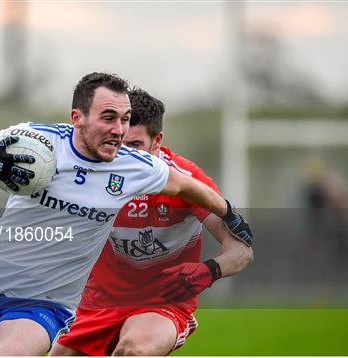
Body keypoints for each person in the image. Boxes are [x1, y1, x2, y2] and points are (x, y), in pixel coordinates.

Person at [0, 73, 252, 356]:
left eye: (125, 122)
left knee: (129, 349)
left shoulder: (141, 168)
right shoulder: (38, 141)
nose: (119, 134)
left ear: (157, 142)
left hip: (56, 301)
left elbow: (189, 189)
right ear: (77, 117)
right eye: (109, 119)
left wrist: (226, 221)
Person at [51, 88, 253, 356]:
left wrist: (209, 271)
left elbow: (241, 250)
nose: (125, 158)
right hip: (99, 304)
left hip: (162, 303)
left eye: (135, 146)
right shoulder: (95, 172)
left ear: (157, 141)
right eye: (120, 144)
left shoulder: (187, 180)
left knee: (134, 350)